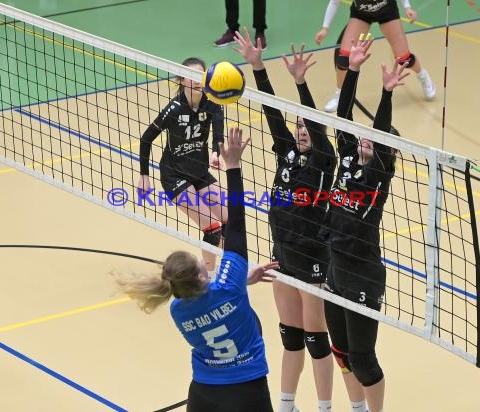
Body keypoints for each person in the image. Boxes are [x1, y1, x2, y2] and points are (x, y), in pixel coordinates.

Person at [118, 127, 278, 412]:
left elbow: (216, 292)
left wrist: (241, 280)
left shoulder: (179, 309)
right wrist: (234, 165)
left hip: (204, 394)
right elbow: (237, 223)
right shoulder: (227, 286)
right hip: (247, 389)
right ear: (204, 275)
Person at [235, 28, 336, 412]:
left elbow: (311, 123)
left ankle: (324, 406)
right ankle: (287, 405)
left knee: (315, 341)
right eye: (298, 129)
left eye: (307, 127)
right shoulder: (286, 158)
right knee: (290, 338)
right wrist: (258, 68)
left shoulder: (324, 163)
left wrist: (302, 83)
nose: (300, 132)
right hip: (281, 256)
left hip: (312, 261)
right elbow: (272, 113)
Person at [323, 35, 407, 412]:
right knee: (339, 351)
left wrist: (387, 95)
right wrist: (353, 70)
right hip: (333, 262)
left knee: (362, 358)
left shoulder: (380, 175)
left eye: (376, 140)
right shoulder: (348, 158)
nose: (366, 140)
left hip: (362, 271)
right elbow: (343, 115)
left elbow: (379, 129)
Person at [138, 57, 227, 272]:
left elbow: (218, 133)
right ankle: (209, 278)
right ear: (181, 80)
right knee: (213, 228)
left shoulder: (212, 103)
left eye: (200, 76)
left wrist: (216, 152)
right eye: (191, 76)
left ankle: (225, 270)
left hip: (199, 172)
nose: (197, 81)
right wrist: (144, 175)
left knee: (229, 221)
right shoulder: (174, 109)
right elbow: (146, 138)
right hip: (174, 175)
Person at [314, 0, 435, 112]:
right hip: (361, 13)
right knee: (344, 58)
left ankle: (422, 75)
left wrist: (407, 7)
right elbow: (334, 3)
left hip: (387, 11)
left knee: (404, 59)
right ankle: (341, 93)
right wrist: (325, 28)